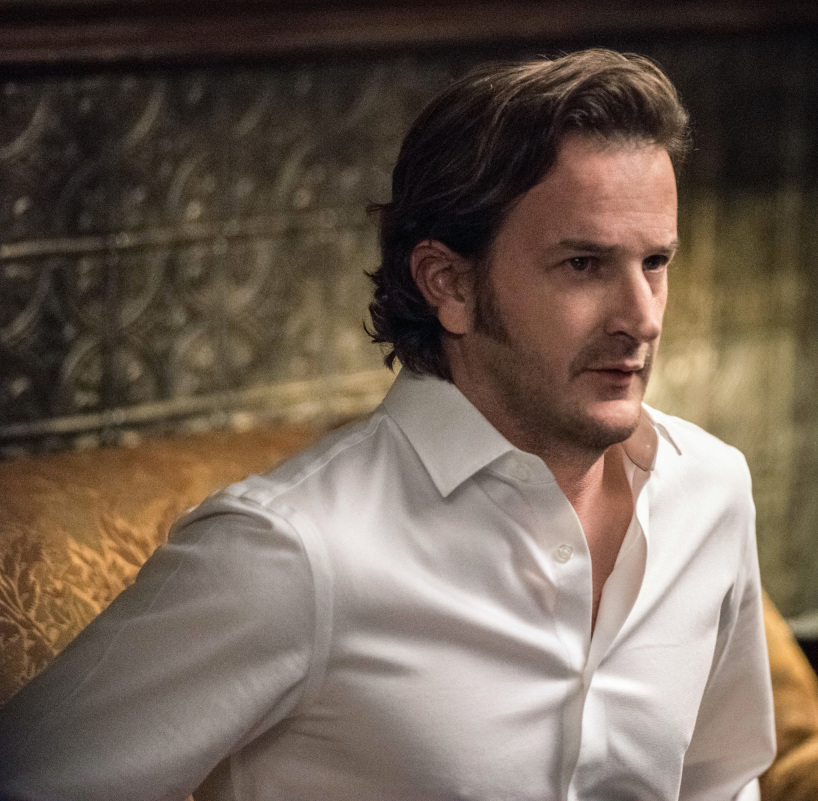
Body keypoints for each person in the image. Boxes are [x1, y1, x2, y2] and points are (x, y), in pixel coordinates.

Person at [0, 49, 776, 800]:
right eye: (583, 264)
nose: (642, 317)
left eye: (655, 262)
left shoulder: (711, 492)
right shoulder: (289, 553)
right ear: (450, 284)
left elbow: (721, 780)